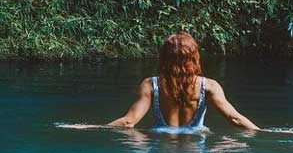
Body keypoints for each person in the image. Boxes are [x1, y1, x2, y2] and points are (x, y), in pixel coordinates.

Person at [107, 32, 260, 132]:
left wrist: (91, 127)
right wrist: (263, 133)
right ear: (194, 57)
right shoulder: (209, 86)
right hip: (194, 149)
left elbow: (128, 122)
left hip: (162, 148)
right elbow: (235, 118)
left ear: (164, 57)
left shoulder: (150, 85)